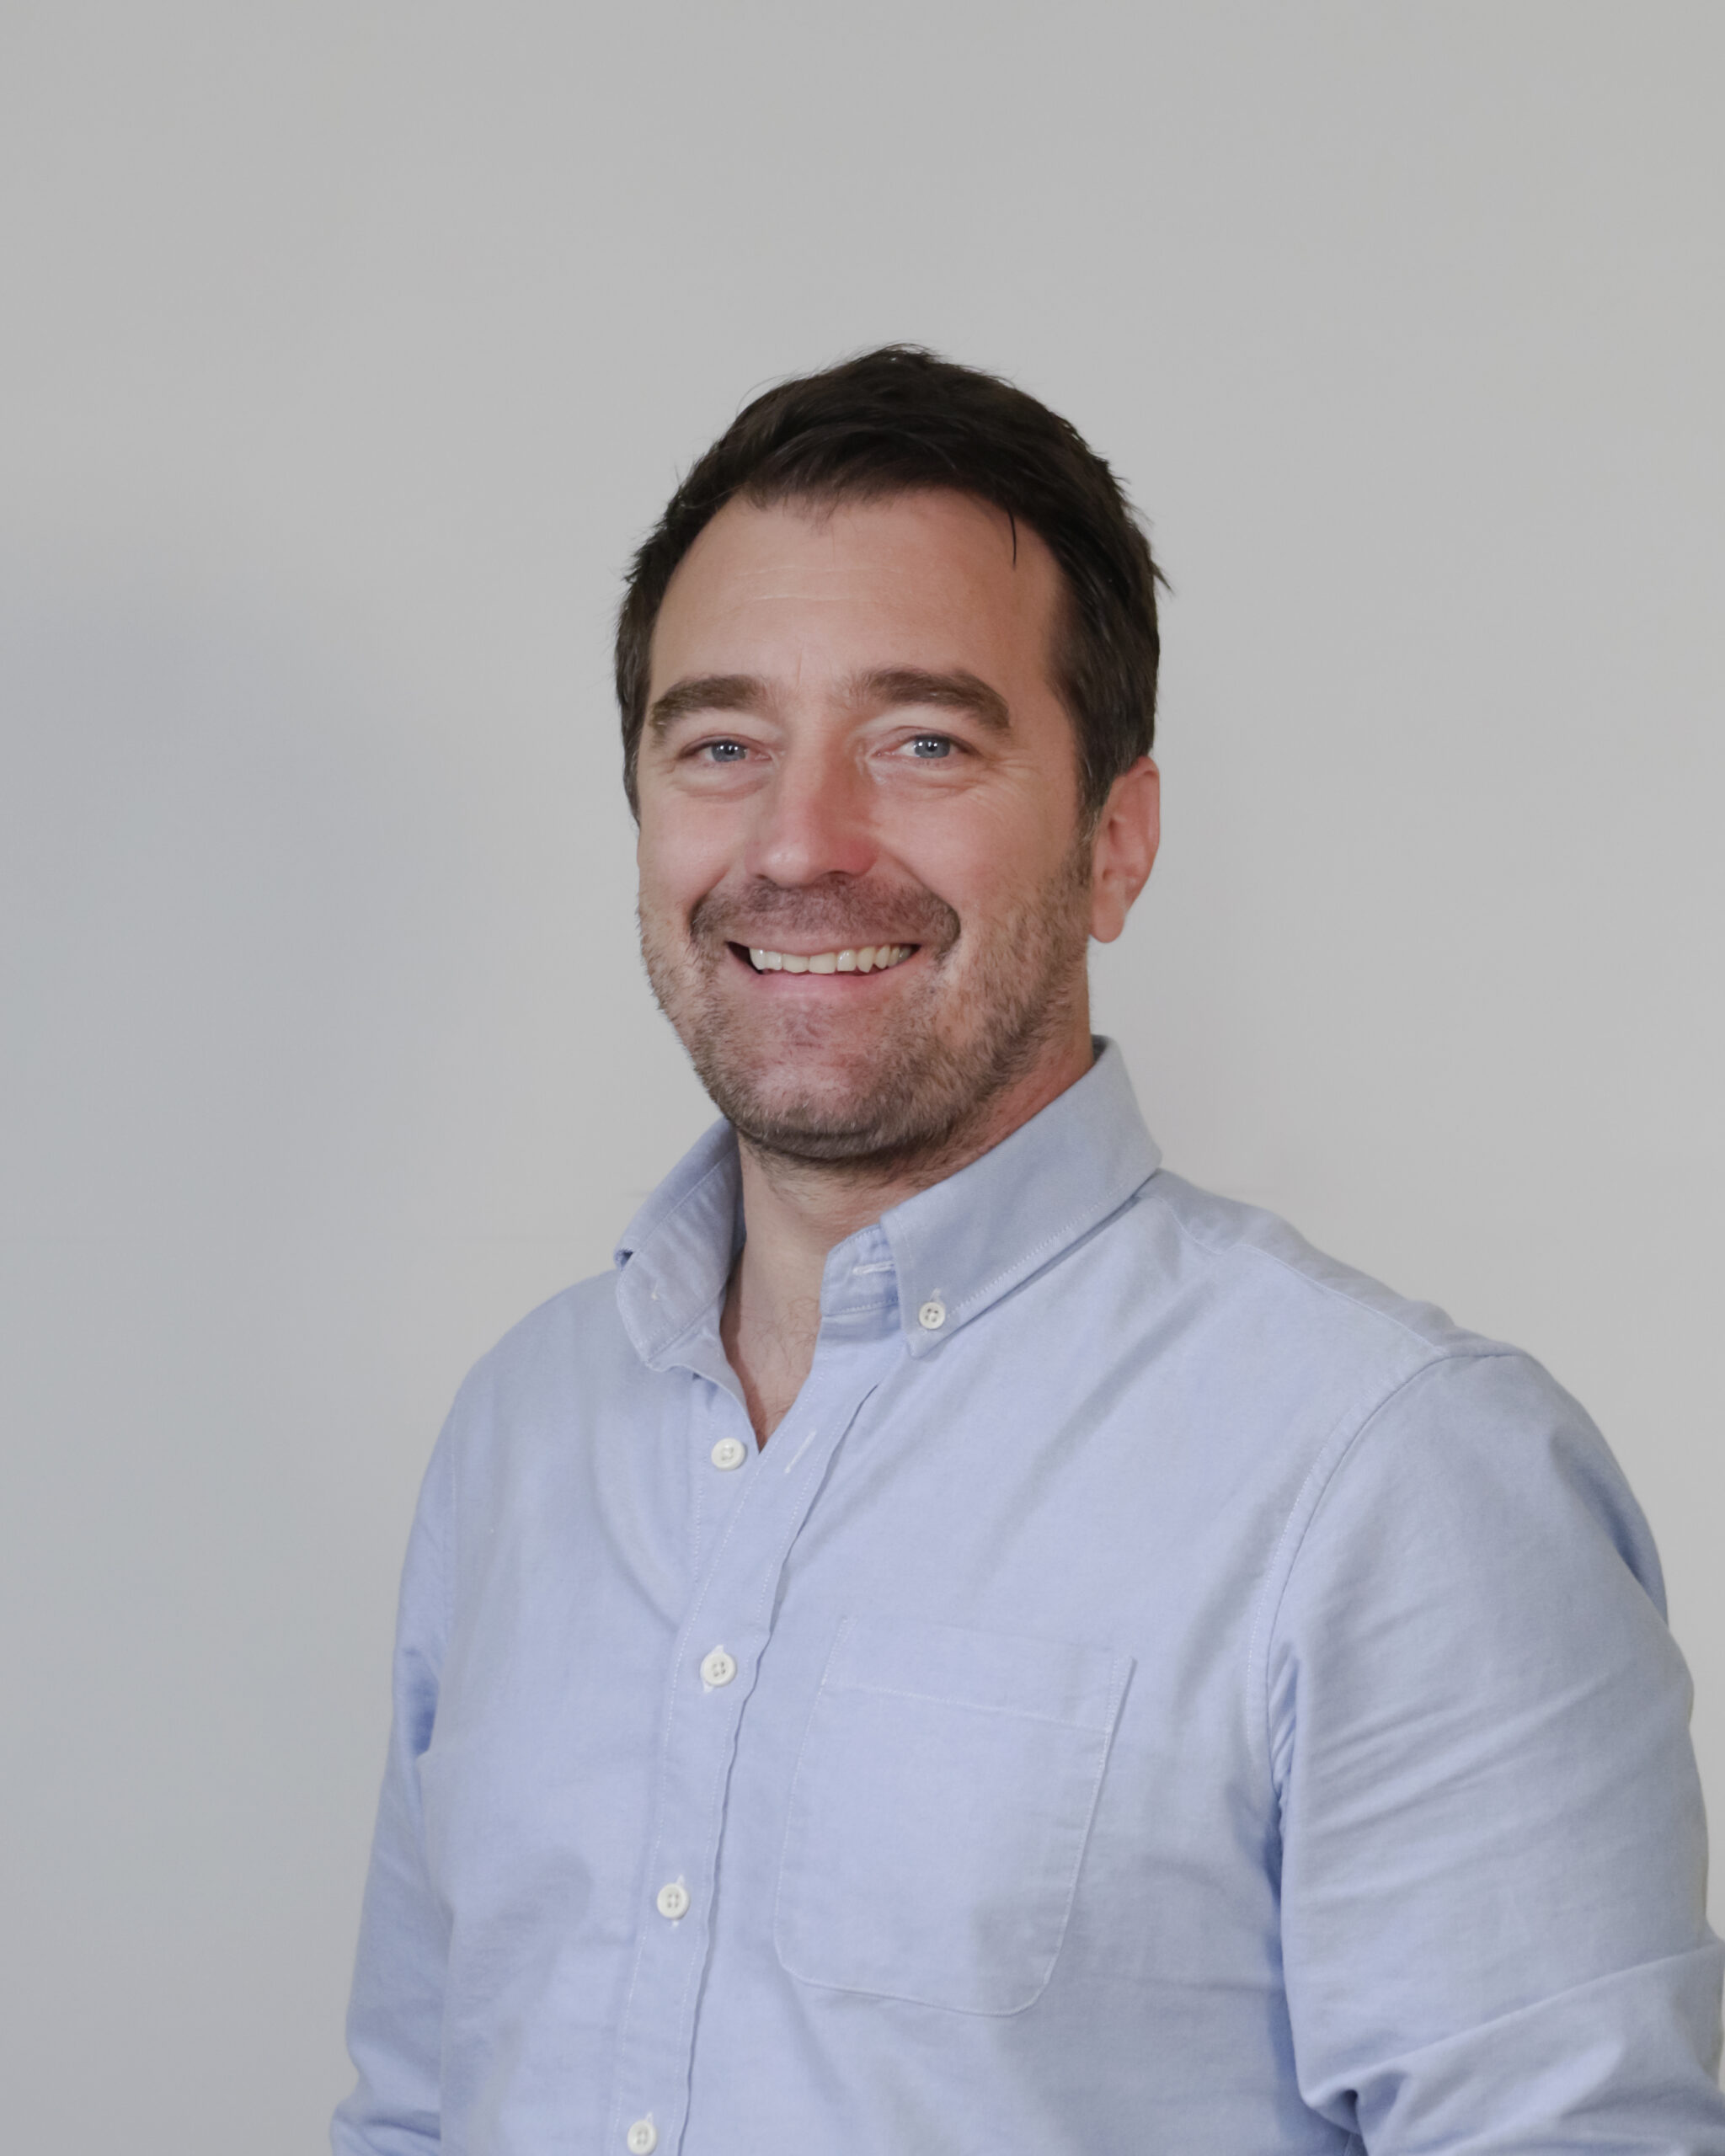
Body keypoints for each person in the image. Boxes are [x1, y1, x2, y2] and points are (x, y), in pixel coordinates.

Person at [333, 347, 1725, 2153]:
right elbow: (420, 2107)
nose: (800, 840)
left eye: (921, 738)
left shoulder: (1399, 1477)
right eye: (721, 743)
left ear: (1114, 844)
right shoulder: (520, 1436)